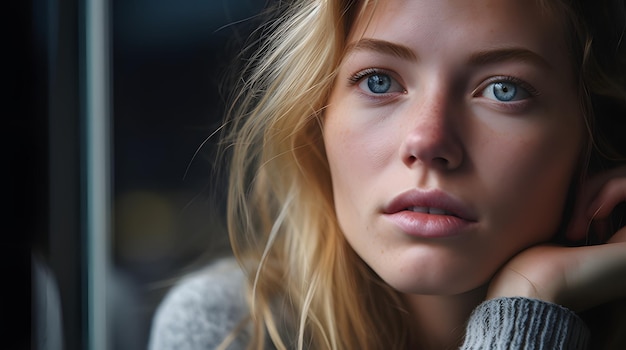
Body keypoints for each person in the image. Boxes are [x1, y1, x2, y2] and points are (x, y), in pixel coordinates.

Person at [149, 0, 626, 349]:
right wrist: (528, 310)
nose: (428, 141)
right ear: (317, 119)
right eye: (379, 81)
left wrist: (532, 297)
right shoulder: (233, 328)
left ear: (591, 137)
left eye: (503, 89)